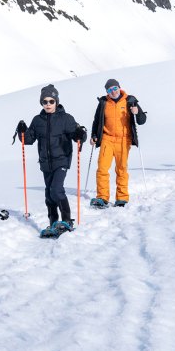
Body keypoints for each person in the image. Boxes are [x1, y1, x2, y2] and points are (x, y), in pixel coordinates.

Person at [18, 84, 86, 237]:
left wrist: (80, 134)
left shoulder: (66, 119)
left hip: (61, 160)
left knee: (56, 189)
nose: (48, 104)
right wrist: (22, 131)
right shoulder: (37, 120)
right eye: (45, 102)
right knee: (49, 193)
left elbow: (77, 136)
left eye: (51, 101)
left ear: (56, 101)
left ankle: (67, 220)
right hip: (45, 163)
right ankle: (53, 222)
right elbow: (28, 140)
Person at [90, 79, 147, 206]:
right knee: (102, 169)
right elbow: (96, 121)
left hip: (123, 140)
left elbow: (142, 120)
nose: (113, 92)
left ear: (119, 87)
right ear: (107, 92)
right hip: (107, 139)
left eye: (115, 88)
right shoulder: (103, 103)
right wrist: (94, 135)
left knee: (121, 169)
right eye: (109, 90)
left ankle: (122, 198)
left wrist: (137, 113)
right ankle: (102, 197)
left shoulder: (130, 100)